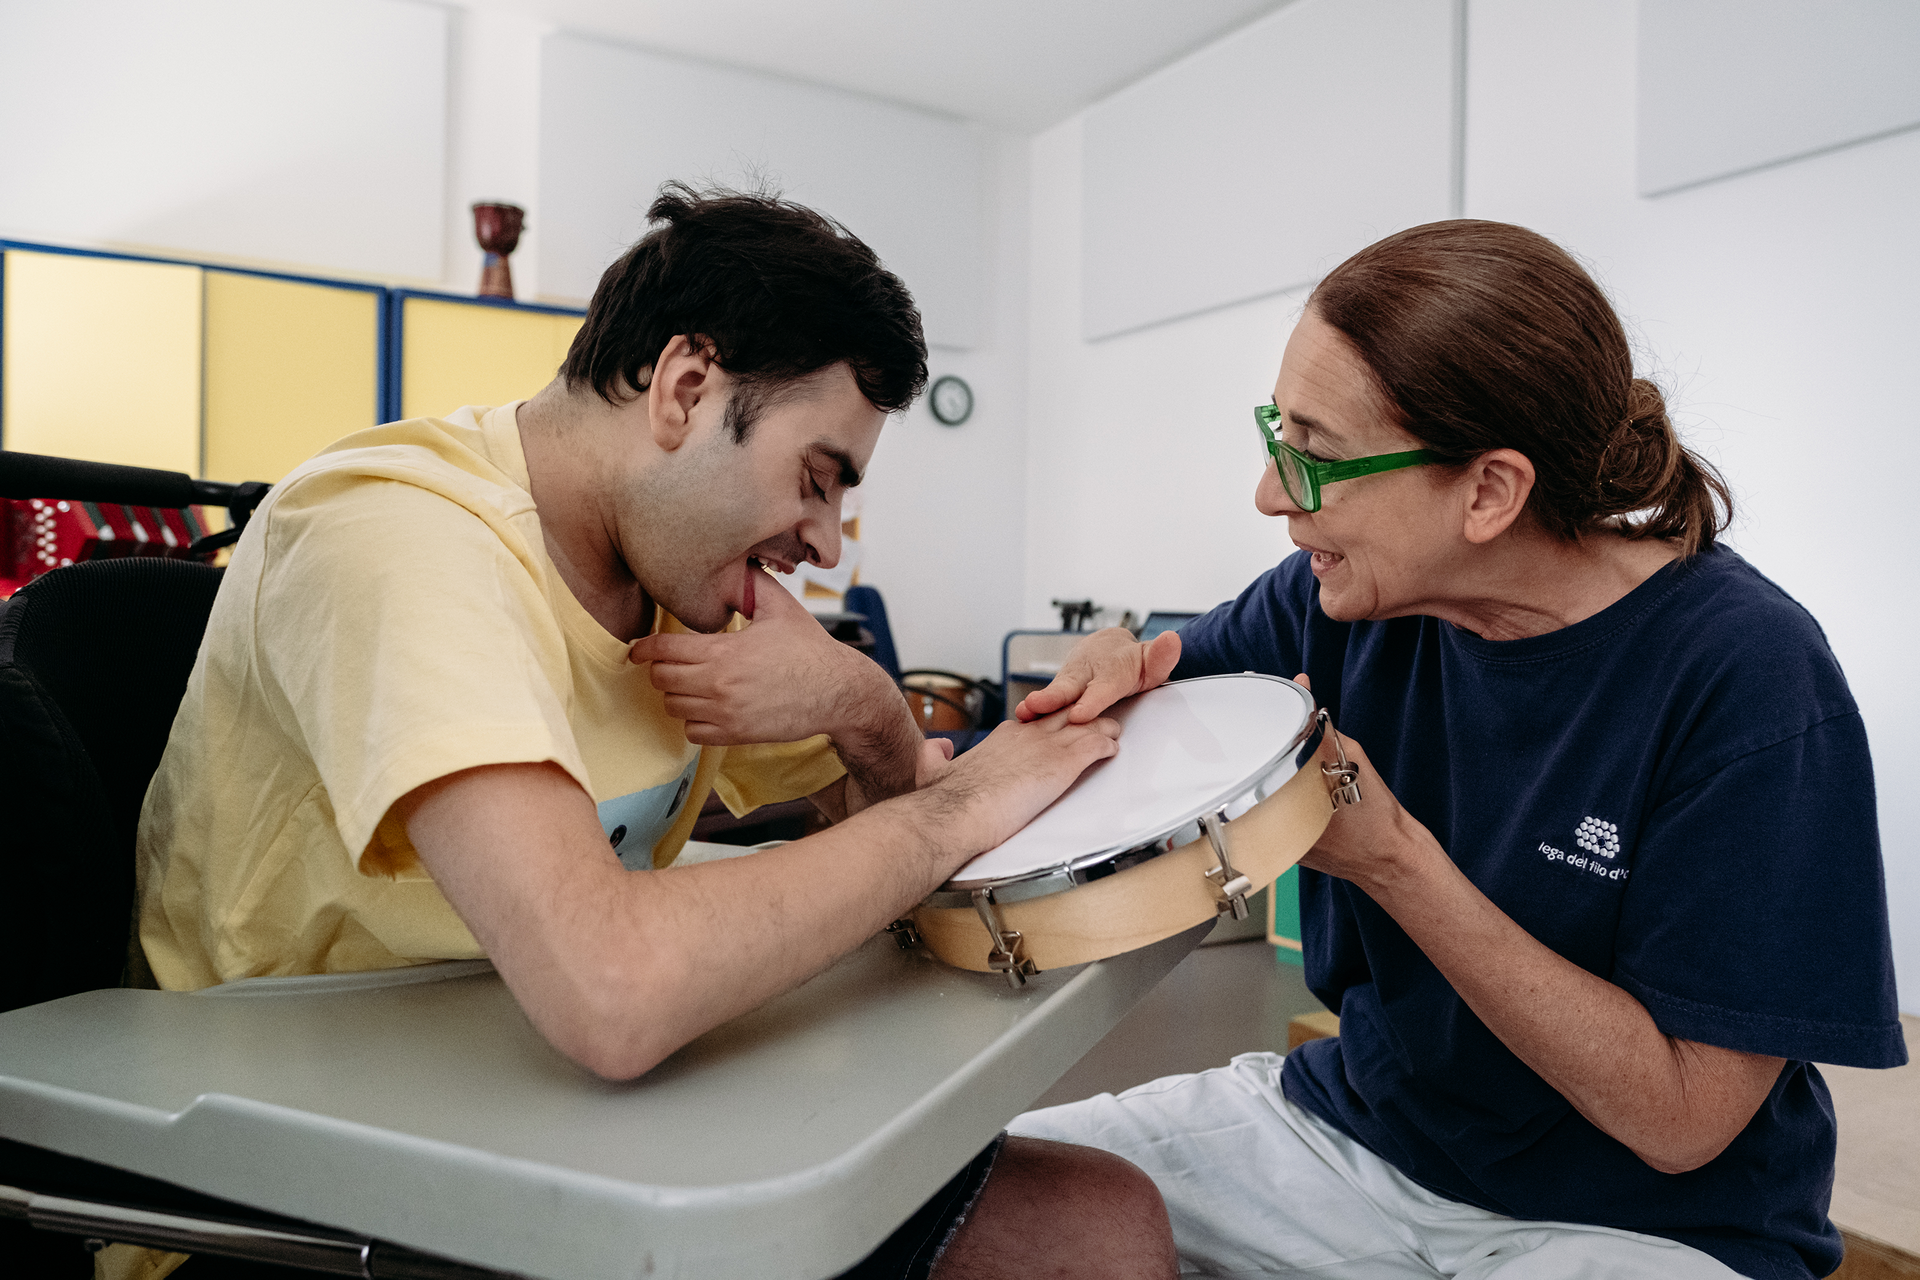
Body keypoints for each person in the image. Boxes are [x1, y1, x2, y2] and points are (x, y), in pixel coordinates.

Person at [130, 186, 1176, 1280]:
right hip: (290, 1183)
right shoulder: (395, 535)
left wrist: (863, 704)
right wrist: (958, 804)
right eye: (816, 479)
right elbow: (614, 991)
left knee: (1100, 1226)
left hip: (565, 1117)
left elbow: (876, 859)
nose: (822, 540)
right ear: (684, 387)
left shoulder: (679, 581)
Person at [971, 220, 1907, 1280]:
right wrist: (1110, 665)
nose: (1272, 495)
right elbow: (1129, 714)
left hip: (1647, 1224)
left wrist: (1394, 858)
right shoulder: (1333, 600)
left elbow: (1683, 1119)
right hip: (1354, 1138)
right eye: (1278, 436)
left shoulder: (1750, 676)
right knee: (954, 1209)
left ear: (1489, 491)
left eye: (1314, 457)